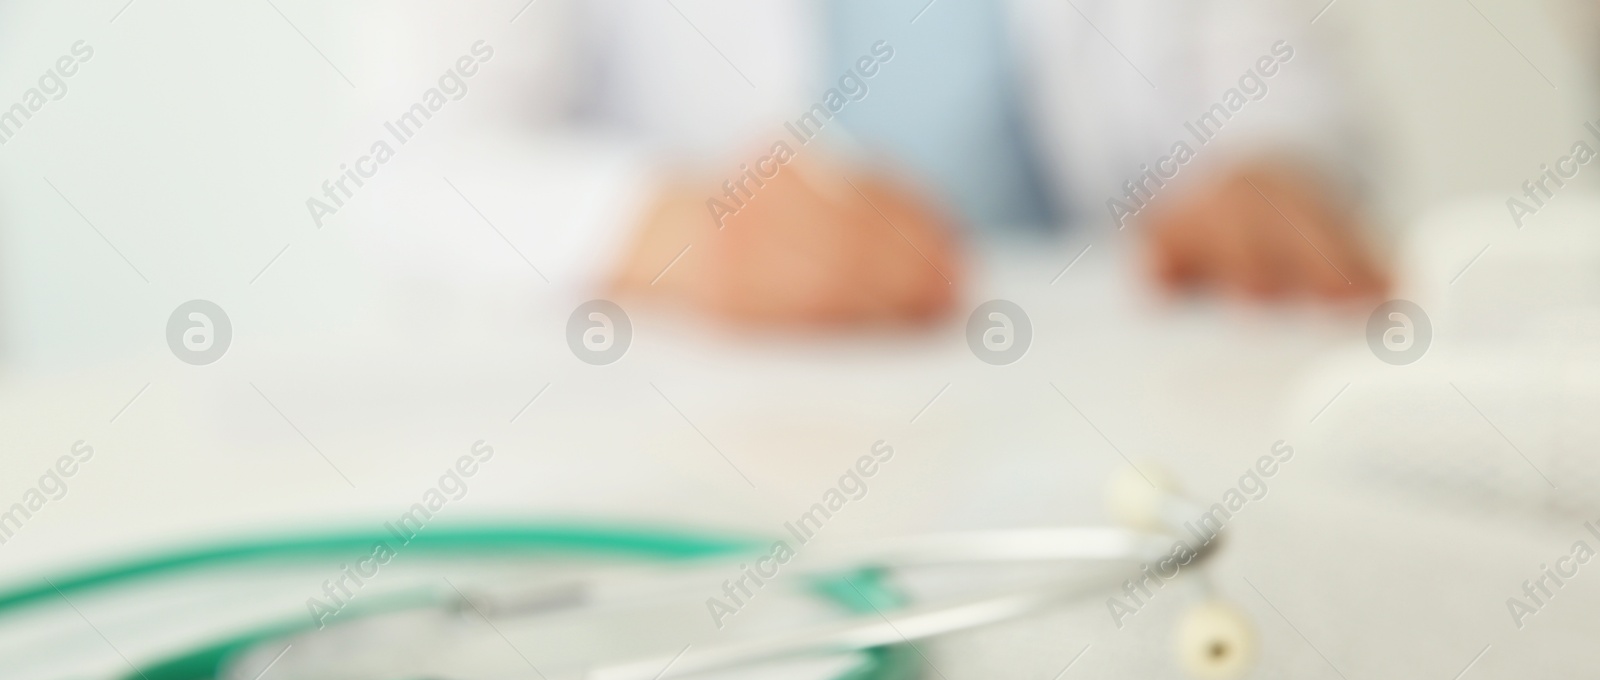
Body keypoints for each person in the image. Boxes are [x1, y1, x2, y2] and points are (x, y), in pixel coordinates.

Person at [391, 0, 1388, 325]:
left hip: (1095, 383)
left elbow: (1286, 89)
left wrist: (1269, 174)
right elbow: (405, 162)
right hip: (720, 431)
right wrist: (665, 230)